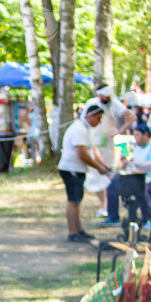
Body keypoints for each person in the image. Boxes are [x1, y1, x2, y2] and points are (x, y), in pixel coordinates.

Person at [58, 103, 110, 243]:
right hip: (71, 169)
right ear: (90, 116)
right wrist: (97, 167)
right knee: (73, 200)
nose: (99, 122)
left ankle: (79, 230)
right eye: (98, 118)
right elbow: (81, 153)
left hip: (78, 169)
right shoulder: (79, 128)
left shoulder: (88, 129)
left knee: (77, 200)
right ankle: (72, 232)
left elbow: (93, 150)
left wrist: (103, 165)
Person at [84, 85, 136, 218]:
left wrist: (119, 131)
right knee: (95, 173)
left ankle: (109, 206)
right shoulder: (92, 103)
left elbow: (131, 117)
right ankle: (103, 204)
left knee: (108, 174)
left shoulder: (115, 105)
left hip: (108, 145)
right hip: (94, 142)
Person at [102, 123, 151, 228]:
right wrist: (125, 163)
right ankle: (113, 217)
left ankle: (149, 220)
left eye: (137, 135)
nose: (135, 138)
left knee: (141, 188)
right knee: (113, 185)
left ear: (145, 135)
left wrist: (133, 163)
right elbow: (132, 163)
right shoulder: (138, 147)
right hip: (138, 178)